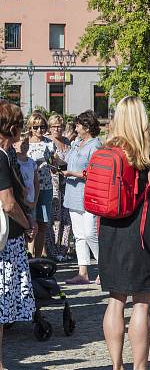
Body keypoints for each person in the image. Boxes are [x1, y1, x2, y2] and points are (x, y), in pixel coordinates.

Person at [98, 96, 150, 370]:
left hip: (110, 232)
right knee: (141, 301)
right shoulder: (147, 154)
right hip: (140, 233)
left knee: (115, 300)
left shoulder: (107, 150)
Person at [0, 100, 37, 370]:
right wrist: (28, 224)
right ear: (11, 129)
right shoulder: (0, 157)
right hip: (5, 243)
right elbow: (9, 203)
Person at [63, 111, 102, 285]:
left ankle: (104, 269)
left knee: (90, 233)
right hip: (73, 193)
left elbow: (95, 172)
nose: (76, 127)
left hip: (88, 195)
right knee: (79, 235)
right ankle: (83, 272)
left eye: (78, 125)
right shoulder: (77, 142)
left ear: (86, 127)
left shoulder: (95, 146)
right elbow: (68, 160)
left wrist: (72, 173)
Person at [26, 112, 56, 258]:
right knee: (29, 223)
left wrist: (52, 163)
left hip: (45, 187)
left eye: (42, 126)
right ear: (30, 127)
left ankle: (37, 258)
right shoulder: (24, 142)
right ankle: (28, 255)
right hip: (28, 188)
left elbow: (54, 163)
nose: (39, 130)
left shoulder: (49, 143)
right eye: (36, 127)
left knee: (42, 223)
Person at [45, 114, 72, 260]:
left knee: (67, 216)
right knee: (55, 217)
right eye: (54, 126)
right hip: (53, 181)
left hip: (67, 182)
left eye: (60, 126)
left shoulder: (67, 141)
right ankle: (53, 251)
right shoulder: (48, 142)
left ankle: (64, 250)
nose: (57, 129)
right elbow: (49, 163)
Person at [13, 135, 38, 224]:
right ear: (14, 144)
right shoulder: (13, 161)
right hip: (19, 202)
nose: (25, 145)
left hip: (31, 201)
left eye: (27, 143)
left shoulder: (32, 162)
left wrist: (34, 202)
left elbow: (36, 183)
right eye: (22, 143)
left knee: (32, 226)